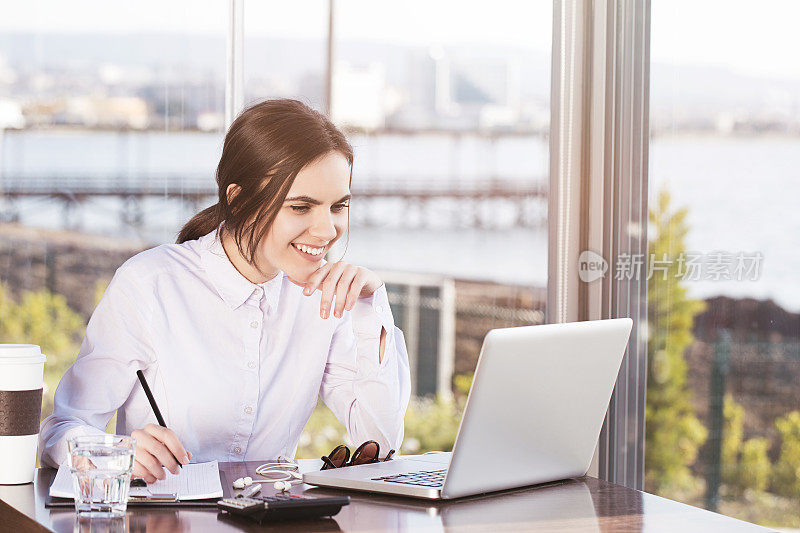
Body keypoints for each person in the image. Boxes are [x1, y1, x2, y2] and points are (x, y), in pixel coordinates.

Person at [39, 99, 411, 483]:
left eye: (338, 206)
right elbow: (62, 429)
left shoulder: (324, 297)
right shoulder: (150, 284)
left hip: (272, 522)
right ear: (239, 199)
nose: (327, 230)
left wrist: (370, 305)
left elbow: (380, 442)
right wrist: (116, 456)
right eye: (301, 207)